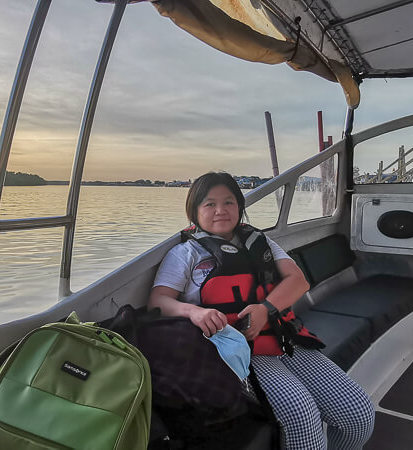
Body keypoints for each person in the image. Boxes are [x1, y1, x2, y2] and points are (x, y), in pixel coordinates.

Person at [149, 172, 374, 450]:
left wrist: (265, 309)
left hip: (283, 338)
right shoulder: (185, 254)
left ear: (239, 207)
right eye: (209, 204)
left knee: (359, 415)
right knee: (302, 416)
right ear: (194, 212)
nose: (221, 210)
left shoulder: (261, 242)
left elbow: (298, 280)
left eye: (229, 202)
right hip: (235, 349)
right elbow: (159, 301)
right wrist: (194, 313)